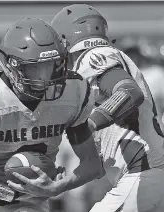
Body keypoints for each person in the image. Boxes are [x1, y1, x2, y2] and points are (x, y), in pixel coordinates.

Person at [0, 18, 105, 212]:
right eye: (35, 67)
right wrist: (23, 194)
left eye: (51, 65)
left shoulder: (73, 92)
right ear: (12, 65)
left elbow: (92, 164)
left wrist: (57, 187)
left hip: (34, 203)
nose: (45, 77)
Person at [50, 4, 164, 212]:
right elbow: (94, 168)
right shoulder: (98, 65)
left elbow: (129, 92)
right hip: (148, 175)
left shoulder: (92, 55)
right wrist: (60, 185)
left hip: (146, 173)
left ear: (64, 40)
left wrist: (91, 123)